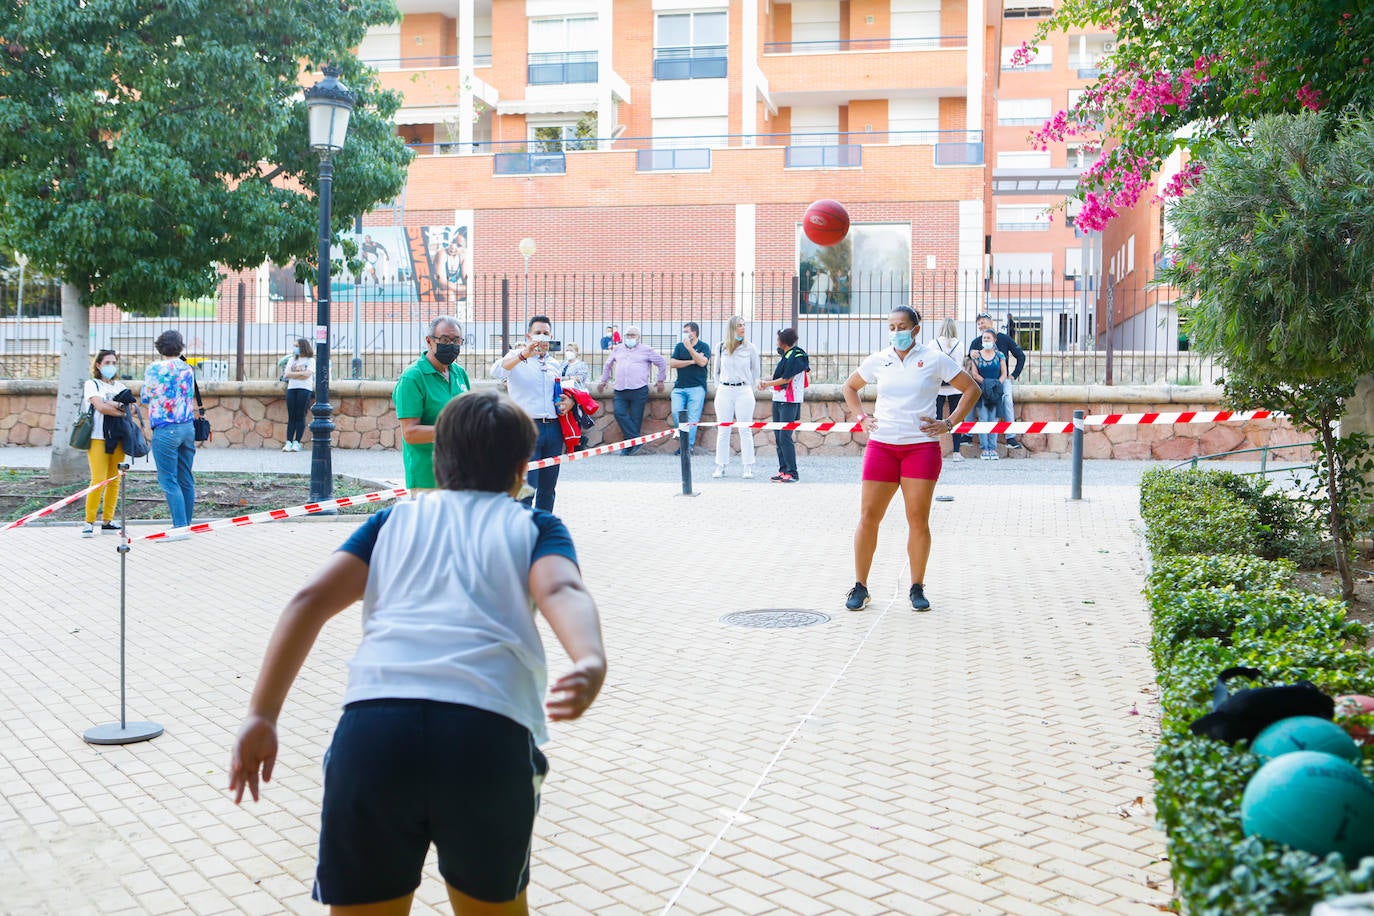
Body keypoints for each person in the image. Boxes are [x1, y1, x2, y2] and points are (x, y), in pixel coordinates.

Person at [228, 389, 607, 916]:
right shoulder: (535, 527)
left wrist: (262, 716)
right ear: (523, 469)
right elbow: (562, 590)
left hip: (374, 733)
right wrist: (589, 658)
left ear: (440, 458)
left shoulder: (391, 522)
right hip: (487, 736)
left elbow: (308, 601)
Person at [842, 306, 980, 613]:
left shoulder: (933, 358)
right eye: (891, 326)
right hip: (882, 447)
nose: (896, 332)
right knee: (868, 516)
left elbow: (971, 388)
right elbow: (850, 387)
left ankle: (917, 587)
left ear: (916, 329)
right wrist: (862, 417)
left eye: (901, 326)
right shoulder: (880, 359)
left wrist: (949, 423)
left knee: (917, 519)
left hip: (921, 448)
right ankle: (860, 587)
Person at [493, 315, 570, 510]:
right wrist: (523, 355)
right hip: (526, 429)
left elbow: (561, 390)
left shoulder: (554, 363)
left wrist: (568, 401)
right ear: (529, 335)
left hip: (553, 429)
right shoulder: (517, 356)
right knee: (525, 490)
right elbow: (496, 371)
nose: (542, 337)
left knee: (548, 489)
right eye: (538, 333)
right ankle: (522, 533)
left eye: (546, 334)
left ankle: (543, 532)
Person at [394, 317, 471, 490]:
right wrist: (455, 431)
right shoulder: (412, 378)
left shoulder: (459, 373)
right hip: (427, 477)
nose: (451, 345)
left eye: (456, 341)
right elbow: (410, 433)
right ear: (429, 341)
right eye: (444, 340)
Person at [141, 330, 198, 539]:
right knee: (186, 477)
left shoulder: (154, 368)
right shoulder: (188, 368)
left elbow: (146, 397)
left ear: (160, 347)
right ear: (180, 346)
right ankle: (187, 525)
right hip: (187, 427)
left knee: (168, 479)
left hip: (166, 428)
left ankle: (180, 527)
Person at [596, 325, 667, 456]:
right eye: (628, 335)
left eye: (633, 335)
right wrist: (603, 380)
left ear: (638, 338)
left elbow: (662, 362)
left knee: (635, 419)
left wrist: (660, 380)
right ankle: (637, 442)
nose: (630, 338)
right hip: (620, 389)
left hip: (638, 389)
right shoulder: (618, 349)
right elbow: (608, 365)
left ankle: (627, 447)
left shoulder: (646, 350)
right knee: (619, 413)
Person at [81, 349, 128, 538]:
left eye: (113, 362)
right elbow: (100, 407)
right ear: (98, 365)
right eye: (107, 362)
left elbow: (129, 409)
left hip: (117, 438)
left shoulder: (120, 386)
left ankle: (108, 521)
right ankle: (89, 522)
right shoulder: (92, 385)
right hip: (97, 438)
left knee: (114, 480)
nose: (111, 366)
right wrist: (117, 406)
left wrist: (113, 406)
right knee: (98, 480)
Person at [968, 312, 1026, 449]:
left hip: (1001, 379)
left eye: (983, 322)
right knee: (970, 397)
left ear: (991, 322)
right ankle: (967, 435)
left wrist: (1014, 374)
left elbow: (1021, 356)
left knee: (1007, 398)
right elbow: (969, 358)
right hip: (982, 380)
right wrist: (970, 353)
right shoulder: (976, 342)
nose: (981, 326)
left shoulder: (1004, 339)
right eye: (979, 324)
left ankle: (1010, 437)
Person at [712, 316, 760, 479]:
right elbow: (716, 371)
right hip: (725, 390)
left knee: (744, 429)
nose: (743, 328)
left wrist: (750, 388)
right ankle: (721, 465)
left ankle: (747, 466)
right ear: (732, 328)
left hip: (743, 390)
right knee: (723, 430)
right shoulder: (720, 347)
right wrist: (719, 387)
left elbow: (755, 372)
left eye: (744, 325)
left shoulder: (750, 348)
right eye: (739, 325)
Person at [758, 328, 808, 482]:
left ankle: (793, 473)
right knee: (778, 436)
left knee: (785, 437)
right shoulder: (786, 356)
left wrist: (767, 384)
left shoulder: (796, 356)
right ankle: (783, 470)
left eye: (778, 340)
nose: (776, 343)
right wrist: (765, 380)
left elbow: (786, 379)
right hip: (778, 399)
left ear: (783, 342)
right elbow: (778, 376)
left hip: (789, 401)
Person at [668, 321, 710, 454]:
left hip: (697, 388)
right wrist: (692, 361)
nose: (685, 334)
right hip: (679, 388)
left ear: (695, 332)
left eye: (687, 331)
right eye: (684, 332)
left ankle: (687, 448)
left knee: (692, 419)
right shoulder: (679, 346)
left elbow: (703, 362)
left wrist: (690, 349)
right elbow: (673, 363)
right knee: (676, 413)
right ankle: (684, 438)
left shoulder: (704, 346)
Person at [969, 327, 1010, 460]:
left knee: (994, 419)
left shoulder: (1000, 355)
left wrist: (997, 384)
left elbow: (1004, 373)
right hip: (982, 392)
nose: (986, 340)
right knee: (983, 419)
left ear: (994, 340)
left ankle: (993, 448)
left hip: (995, 392)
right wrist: (986, 383)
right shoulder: (976, 356)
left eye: (988, 338)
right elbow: (974, 374)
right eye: (984, 338)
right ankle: (984, 448)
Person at [930, 318, 967, 461]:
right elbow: (959, 365)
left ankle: (934, 450)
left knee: (935, 418)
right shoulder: (959, 345)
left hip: (937, 386)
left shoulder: (933, 343)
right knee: (955, 418)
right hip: (955, 386)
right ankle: (956, 452)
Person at [281, 337, 314, 453]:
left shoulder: (310, 360)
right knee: (292, 416)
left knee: (300, 415)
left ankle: (297, 442)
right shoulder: (292, 360)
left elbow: (308, 375)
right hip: (292, 388)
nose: (295, 348)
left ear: (303, 347)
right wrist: (300, 374)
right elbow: (287, 374)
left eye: (296, 346)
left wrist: (295, 374)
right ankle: (288, 442)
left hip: (304, 389)